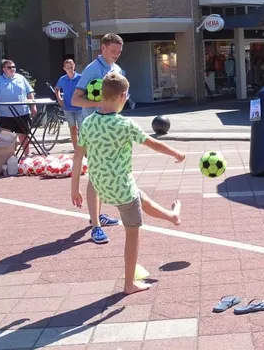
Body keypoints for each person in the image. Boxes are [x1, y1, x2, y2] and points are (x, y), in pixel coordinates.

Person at [70, 72, 184, 294]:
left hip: (101, 187)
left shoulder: (88, 123)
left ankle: (172, 216)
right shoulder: (124, 124)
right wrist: (176, 153)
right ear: (123, 96)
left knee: (140, 198)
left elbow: (77, 157)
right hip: (122, 189)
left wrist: (74, 189)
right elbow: (153, 144)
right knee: (132, 233)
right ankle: (129, 284)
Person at [72, 33, 126, 244]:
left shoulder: (117, 69)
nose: (117, 54)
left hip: (110, 129)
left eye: (119, 51)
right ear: (102, 48)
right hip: (93, 130)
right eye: (113, 51)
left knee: (103, 175)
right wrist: (100, 104)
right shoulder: (92, 70)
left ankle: (98, 215)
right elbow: (75, 100)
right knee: (95, 177)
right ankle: (96, 226)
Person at [0, 59, 37, 157]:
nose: (12, 69)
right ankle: (8, 157)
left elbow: (29, 92)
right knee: (6, 137)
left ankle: (27, 155)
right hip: (5, 114)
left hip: (22, 112)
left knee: (24, 135)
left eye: (14, 67)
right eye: (9, 67)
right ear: (4, 69)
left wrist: (33, 106)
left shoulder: (21, 78)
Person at [53, 59, 83, 150]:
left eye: (71, 67)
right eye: (68, 68)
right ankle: (76, 150)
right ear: (64, 69)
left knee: (82, 130)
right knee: (73, 129)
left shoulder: (80, 77)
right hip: (68, 108)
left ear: (74, 66)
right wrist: (59, 99)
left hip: (80, 108)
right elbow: (57, 89)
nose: (70, 69)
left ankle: (83, 150)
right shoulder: (62, 79)